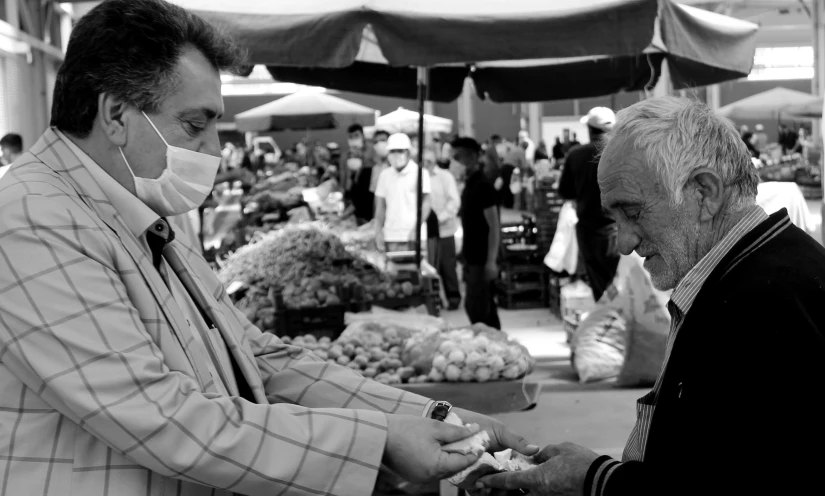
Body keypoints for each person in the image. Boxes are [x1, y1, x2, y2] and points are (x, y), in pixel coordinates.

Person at [0, 2, 537, 495]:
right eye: (196, 125)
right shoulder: (32, 219)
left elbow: (262, 359)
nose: (214, 149)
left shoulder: (142, 217)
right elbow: (159, 416)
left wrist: (436, 415)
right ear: (115, 115)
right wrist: (377, 440)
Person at [479, 96, 825, 496]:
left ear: (704, 192)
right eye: (615, 217)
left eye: (634, 212)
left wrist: (595, 479)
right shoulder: (752, 276)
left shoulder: (764, 305)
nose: (623, 243)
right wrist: (597, 472)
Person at [558, 107, 620, 301]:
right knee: (621, 282)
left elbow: (565, 192)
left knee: (599, 285)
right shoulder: (623, 152)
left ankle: (607, 319)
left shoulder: (576, 155)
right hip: (619, 228)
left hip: (588, 230)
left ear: (590, 129)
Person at [452, 137, 501, 329]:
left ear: (471, 157)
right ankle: (496, 346)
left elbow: (494, 226)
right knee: (480, 307)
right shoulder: (470, 185)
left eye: (458, 157)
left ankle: (493, 347)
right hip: (471, 258)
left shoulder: (483, 186)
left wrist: (491, 260)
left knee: (478, 309)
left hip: (481, 259)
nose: (454, 162)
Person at [374, 133, 432, 252]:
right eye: (392, 151)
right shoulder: (385, 175)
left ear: (408, 153)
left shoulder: (420, 173)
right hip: (391, 235)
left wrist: (416, 228)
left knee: (417, 270)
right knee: (393, 270)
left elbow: (426, 204)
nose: (395, 154)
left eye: (399, 151)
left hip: (415, 236)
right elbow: (380, 206)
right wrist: (378, 231)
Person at [423, 149, 462, 310]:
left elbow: (454, 202)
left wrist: (439, 218)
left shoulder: (445, 177)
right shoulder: (417, 179)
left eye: (429, 162)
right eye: (423, 162)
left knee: (448, 266)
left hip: (444, 230)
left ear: (435, 162)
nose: (426, 165)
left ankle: (453, 298)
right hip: (426, 233)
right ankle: (435, 300)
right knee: (431, 267)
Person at [369, 128, 390, 193]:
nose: (379, 144)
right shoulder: (376, 168)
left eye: (383, 140)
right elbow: (375, 192)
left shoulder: (397, 164)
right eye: (376, 142)